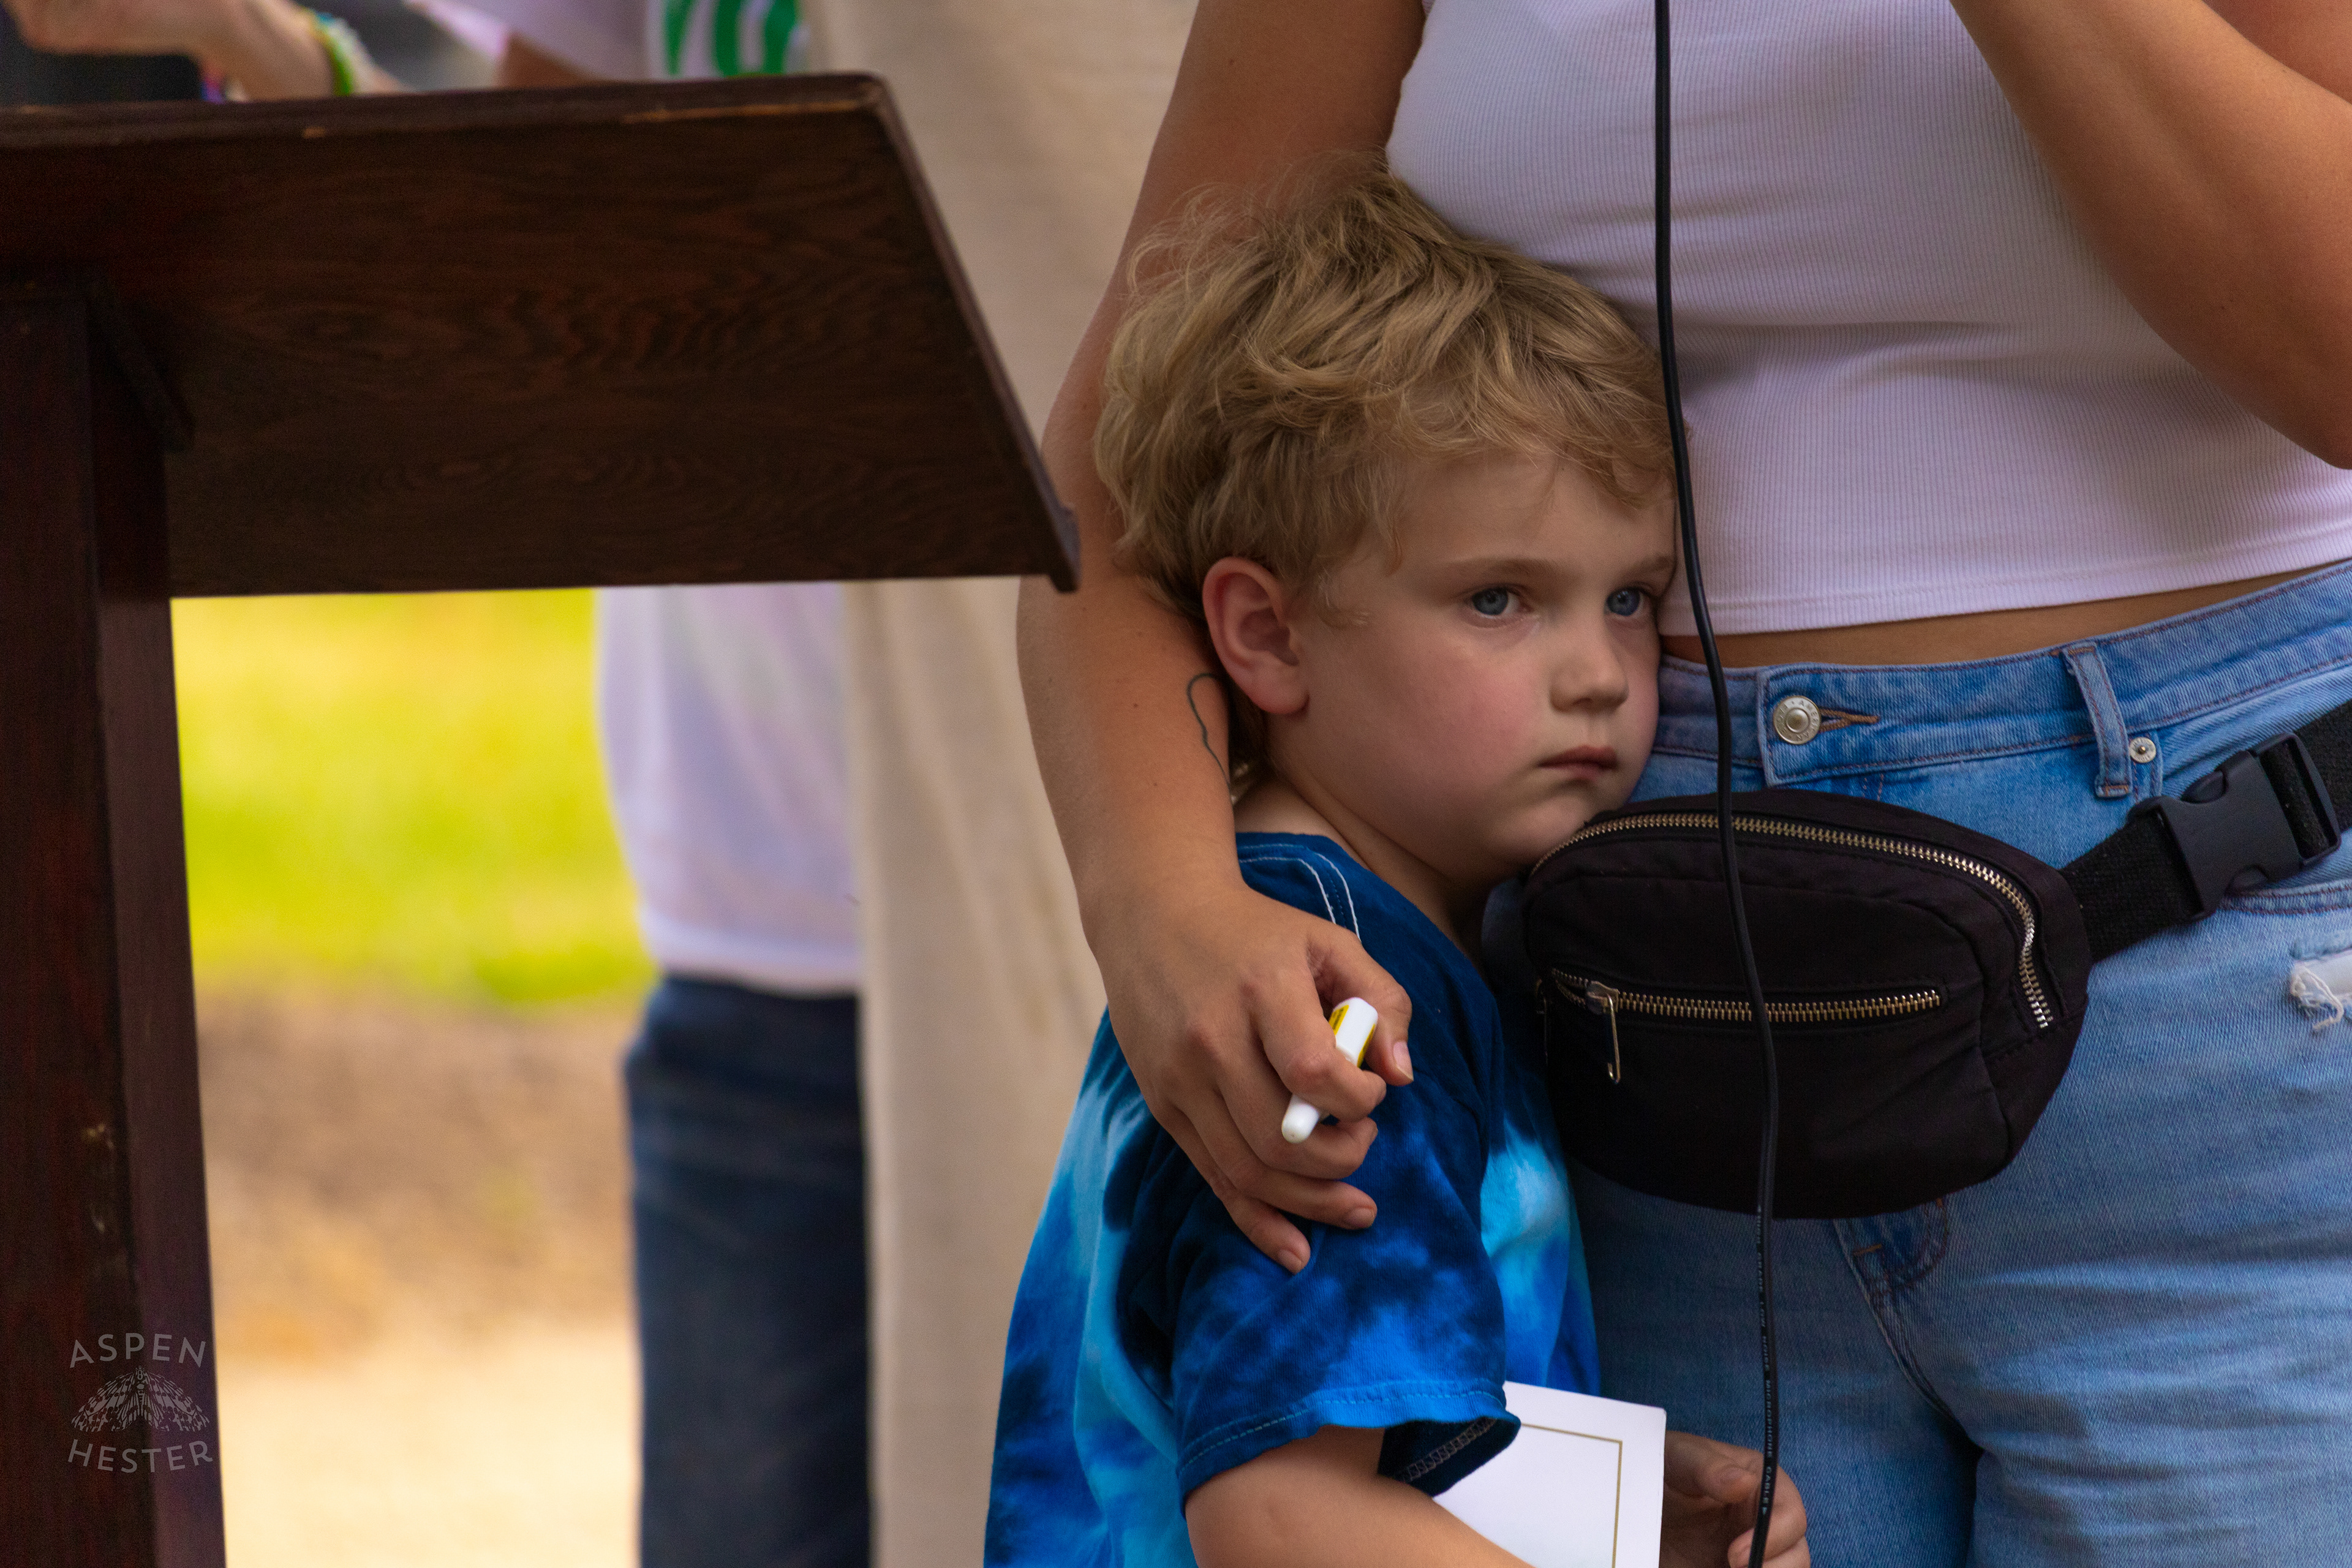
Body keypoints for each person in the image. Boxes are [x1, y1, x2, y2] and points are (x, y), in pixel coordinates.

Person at [1018, 1, 2352, 1563]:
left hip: (2202, 992)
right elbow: (1121, 479)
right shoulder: (1393, 1013)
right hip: (1636, 1048)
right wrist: (1163, 898)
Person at [987, 164, 1807, 1568]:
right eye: (1499, 598)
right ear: (1269, 635)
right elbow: (1281, 1515)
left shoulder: (1330, 934)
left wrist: (1601, 1510)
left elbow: (1341, 1436)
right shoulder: (1343, 1016)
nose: (1598, 675)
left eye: (1631, 599)